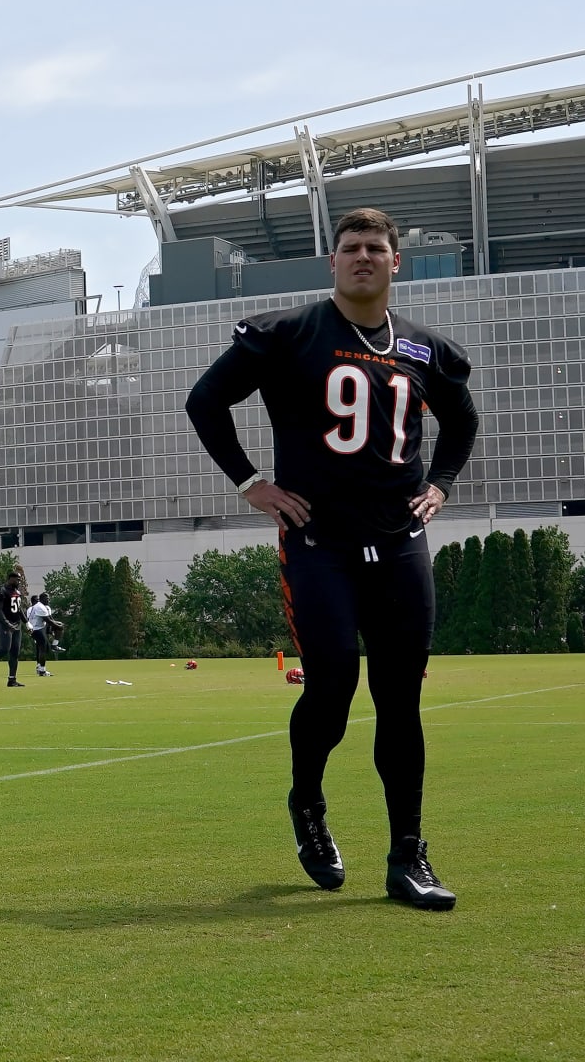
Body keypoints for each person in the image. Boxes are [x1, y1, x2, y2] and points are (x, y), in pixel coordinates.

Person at [185, 206, 479, 911]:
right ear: (334, 262)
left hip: (400, 540)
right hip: (320, 541)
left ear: (395, 260)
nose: (363, 258)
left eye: (376, 247)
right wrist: (252, 484)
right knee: (333, 687)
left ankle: (407, 856)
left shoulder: (422, 348)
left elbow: (462, 420)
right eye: (351, 248)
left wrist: (439, 485)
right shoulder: (290, 333)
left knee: (400, 702)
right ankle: (308, 803)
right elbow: (205, 401)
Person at [26, 593, 57, 678]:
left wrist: (51, 629)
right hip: (36, 628)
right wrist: (58, 626)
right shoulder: (33, 608)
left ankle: (40, 667)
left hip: (42, 628)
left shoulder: (45, 607)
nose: (48, 600)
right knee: (41, 647)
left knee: (44, 647)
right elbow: (47, 620)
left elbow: (50, 619)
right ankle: (41, 668)